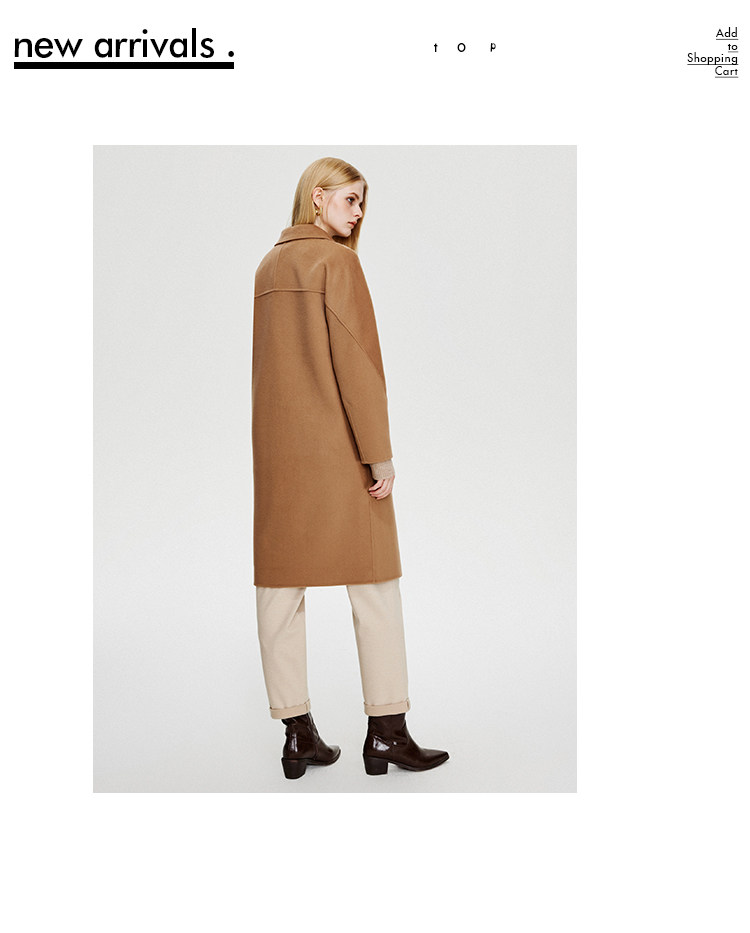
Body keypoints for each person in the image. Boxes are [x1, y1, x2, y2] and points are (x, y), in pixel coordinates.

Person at [252, 157, 448, 779]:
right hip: (340, 454)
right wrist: (378, 455)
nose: (359, 214)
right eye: (350, 200)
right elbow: (358, 366)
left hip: (278, 458)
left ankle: (297, 735)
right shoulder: (337, 264)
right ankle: (387, 732)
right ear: (317, 197)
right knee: (376, 588)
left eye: (362, 203)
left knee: (279, 593)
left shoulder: (267, 267)